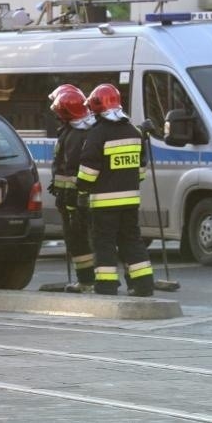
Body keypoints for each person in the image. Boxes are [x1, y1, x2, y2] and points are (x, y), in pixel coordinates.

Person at [76, 83, 155, 297]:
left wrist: (81, 189)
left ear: (97, 108)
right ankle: (144, 285)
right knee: (132, 241)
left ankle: (106, 286)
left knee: (104, 244)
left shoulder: (97, 134)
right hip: (130, 201)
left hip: (103, 204)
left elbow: (88, 171)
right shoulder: (134, 131)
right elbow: (140, 171)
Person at [48, 85, 96, 293]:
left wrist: (66, 195)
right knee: (86, 238)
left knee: (77, 239)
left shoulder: (75, 135)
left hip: (74, 198)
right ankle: (89, 280)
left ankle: (86, 281)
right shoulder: (81, 130)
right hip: (76, 196)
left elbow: (71, 170)